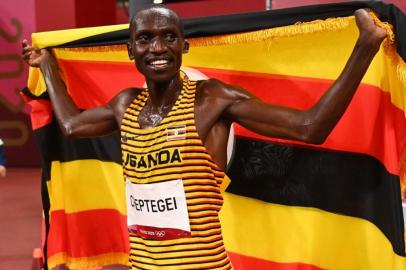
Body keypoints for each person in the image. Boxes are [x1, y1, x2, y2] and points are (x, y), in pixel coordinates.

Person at [22, 5, 387, 270]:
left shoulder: (211, 99)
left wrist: (365, 48)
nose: (158, 48)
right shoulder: (125, 106)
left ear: (185, 45)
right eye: (145, 39)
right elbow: (71, 125)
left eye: (169, 37)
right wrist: (49, 67)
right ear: (131, 50)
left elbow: (310, 127)